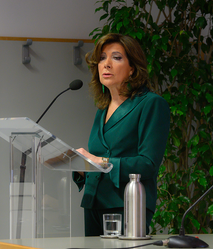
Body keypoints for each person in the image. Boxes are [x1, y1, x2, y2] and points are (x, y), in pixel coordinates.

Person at [73, 33, 170, 236]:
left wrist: (101, 162)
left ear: (133, 67)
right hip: (94, 201)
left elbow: (148, 164)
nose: (106, 64)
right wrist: (82, 166)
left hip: (127, 204)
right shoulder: (103, 108)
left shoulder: (151, 104)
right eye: (102, 58)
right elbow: (99, 160)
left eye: (116, 57)